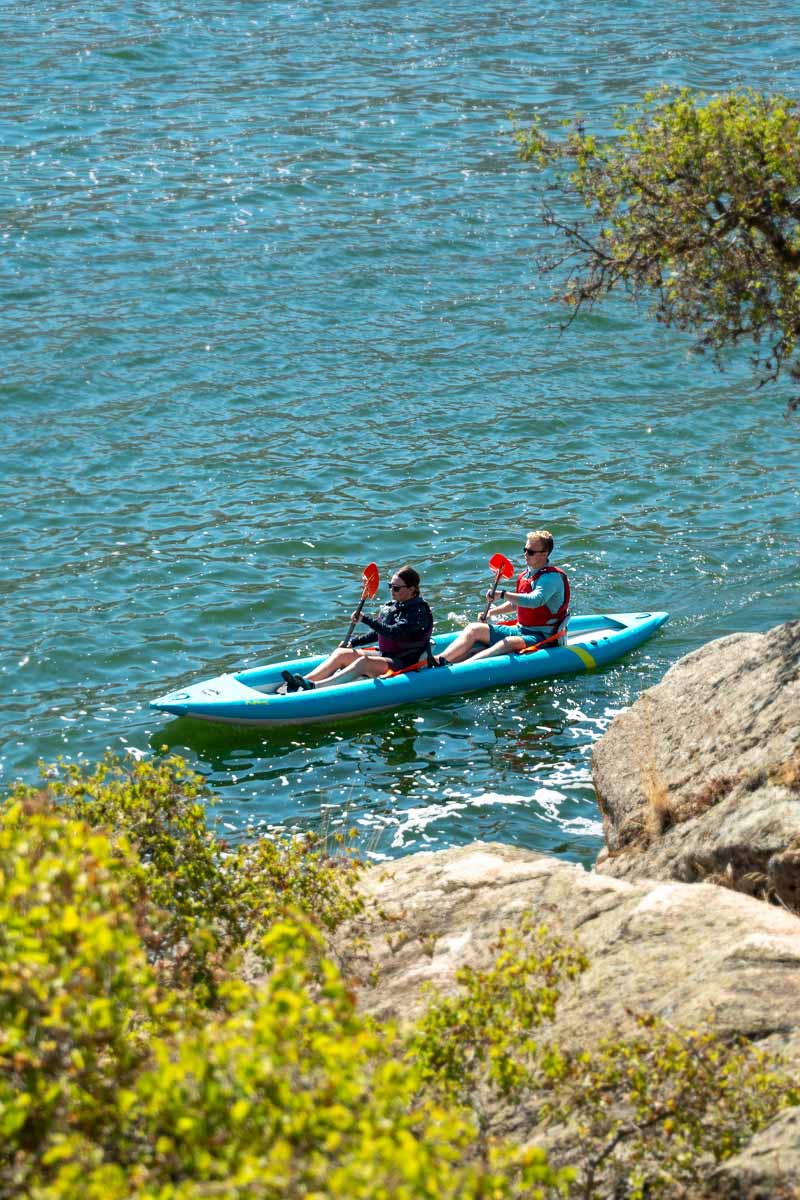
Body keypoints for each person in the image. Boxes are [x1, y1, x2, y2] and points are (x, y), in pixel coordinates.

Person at [280, 565, 434, 691]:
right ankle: (302, 681)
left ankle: (315, 687)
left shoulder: (419, 613)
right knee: (341, 653)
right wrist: (353, 643)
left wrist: (365, 619)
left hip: (404, 661)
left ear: (411, 589)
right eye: (390, 586)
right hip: (386, 655)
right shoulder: (396, 606)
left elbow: (394, 633)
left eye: (396, 588)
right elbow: (379, 633)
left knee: (364, 662)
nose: (391, 591)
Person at [436, 530, 570, 665]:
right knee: (474, 629)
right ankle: (440, 660)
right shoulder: (526, 576)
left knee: (508, 643)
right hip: (520, 630)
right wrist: (491, 612)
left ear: (544, 554)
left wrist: (502, 594)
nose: (525, 554)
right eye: (525, 549)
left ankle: (461, 668)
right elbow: (516, 604)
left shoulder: (551, 578)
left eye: (530, 552)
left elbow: (534, 601)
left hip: (543, 637)